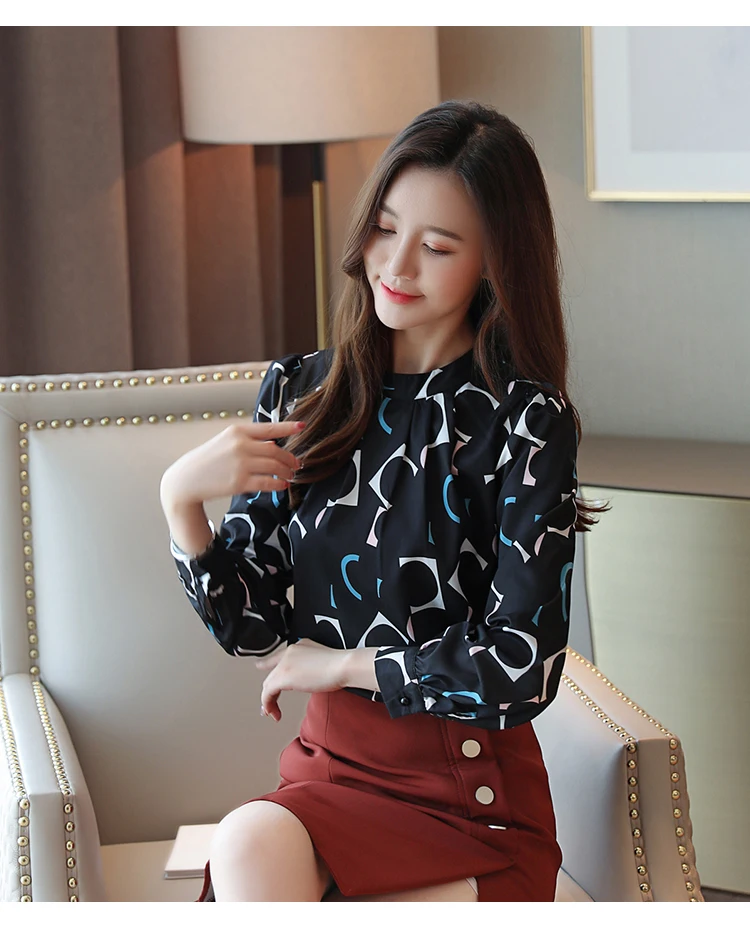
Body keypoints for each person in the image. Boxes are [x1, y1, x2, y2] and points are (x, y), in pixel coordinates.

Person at [160, 98, 606, 903]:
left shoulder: (525, 423)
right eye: (384, 229)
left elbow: (521, 666)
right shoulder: (303, 393)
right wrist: (180, 504)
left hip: (468, 797)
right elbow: (253, 625)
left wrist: (342, 665)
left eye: (436, 247)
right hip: (329, 775)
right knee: (248, 841)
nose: (396, 265)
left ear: (493, 262)